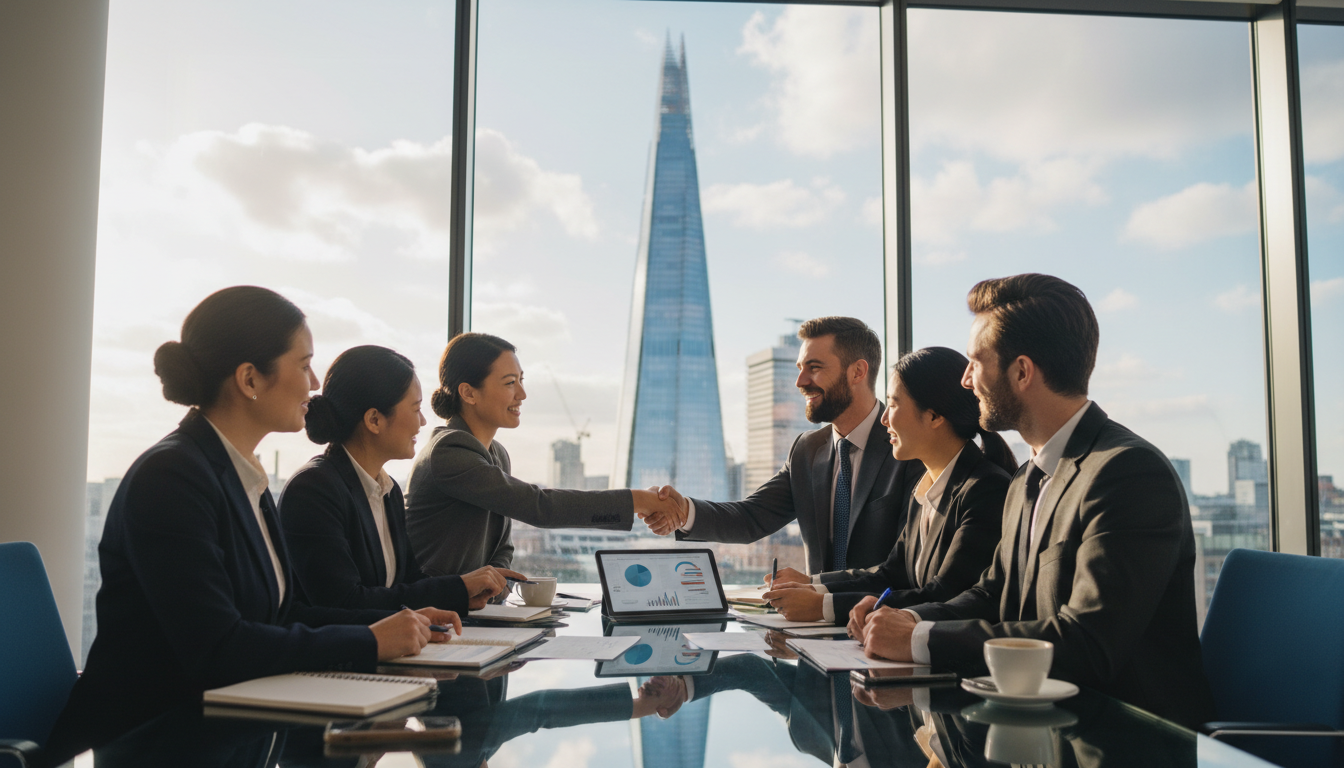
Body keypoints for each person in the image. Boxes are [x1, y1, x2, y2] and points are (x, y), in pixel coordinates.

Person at [45, 287, 461, 760]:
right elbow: (218, 648)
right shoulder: (171, 478)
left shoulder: (244, 477)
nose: (316, 381)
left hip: (234, 731)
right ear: (249, 379)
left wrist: (392, 624)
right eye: (304, 364)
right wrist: (368, 639)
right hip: (162, 740)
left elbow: (281, 617)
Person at [849, 273, 1216, 728]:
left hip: (1123, 738)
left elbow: (1085, 644)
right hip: (1035, 730)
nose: (966, 380)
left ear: (1022, 372)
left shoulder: (1129, 474)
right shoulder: (1027, 479)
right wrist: (904, 618)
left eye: (974, 362)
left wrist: (922, 639)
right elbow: (993, 592)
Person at [762, 346, 1015, 625]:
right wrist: (813, 587)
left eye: (892, 405)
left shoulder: (986, 491)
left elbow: (947, 594)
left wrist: (825, 606)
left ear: (934, 416)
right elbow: (891, 575)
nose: (884, 420)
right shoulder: (927, 487)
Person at [655, 317, 923, 576]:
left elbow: (905, 565)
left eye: (814, 368)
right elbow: (751, 517)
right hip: (811, 621)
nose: (800, 381)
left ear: (857, 372)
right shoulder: (807, 449)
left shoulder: (909, 446)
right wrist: (683, 511)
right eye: (800, 368)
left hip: (879, 617)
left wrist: (817, 591)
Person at [404, 332, 684, 577]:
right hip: (434, 614)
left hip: (478, 613)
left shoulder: (496, 453)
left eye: (521, 380)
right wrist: (638, 500)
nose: (522, 394)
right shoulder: (448, 452)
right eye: (510, 382)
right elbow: (540, 507)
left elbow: (503, 546)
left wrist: (495, 587)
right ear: (468, 392)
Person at [279, 345, 526, 614]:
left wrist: (462, 595)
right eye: (415, 409)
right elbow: (344, 603)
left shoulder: (387, 490)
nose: (422, 422)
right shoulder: (314, 490)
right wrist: (457, 587)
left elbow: (408, 583)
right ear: (374, 420)